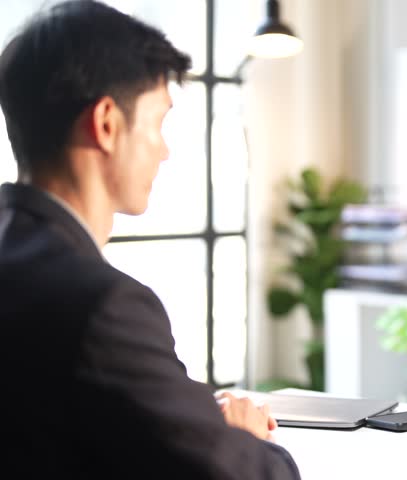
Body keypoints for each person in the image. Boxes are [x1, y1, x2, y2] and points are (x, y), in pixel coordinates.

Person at [0, 1, 299, 478]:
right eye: (158, 122)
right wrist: (244, 439)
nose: (165, 150)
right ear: (106, 124)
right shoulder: (102, 307)